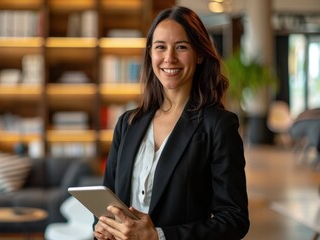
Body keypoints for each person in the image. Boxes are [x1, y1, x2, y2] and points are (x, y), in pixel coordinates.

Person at [94, 5, 250, 240]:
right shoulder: (128, 123)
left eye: (181, 47)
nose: (169, 58)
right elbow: (107, 203)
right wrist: (101, 228)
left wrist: (159, 236)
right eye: (160, 47)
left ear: (199, 54)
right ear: (150, 54)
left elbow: (234, 219)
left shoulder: (218, 126)